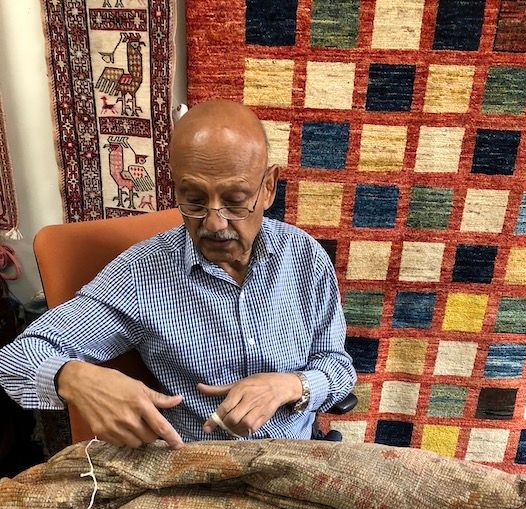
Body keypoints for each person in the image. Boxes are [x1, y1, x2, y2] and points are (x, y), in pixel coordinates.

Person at [0, 100, 355, 449]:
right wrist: (74, 378)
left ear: (268, 188)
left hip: (298, 458)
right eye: (194, 200)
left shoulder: (305, 257)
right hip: (194, 476)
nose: (215, 224)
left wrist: (291, 386)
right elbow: (15, 359)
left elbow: (338, 368)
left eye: (235, 200)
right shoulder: (141, 274)